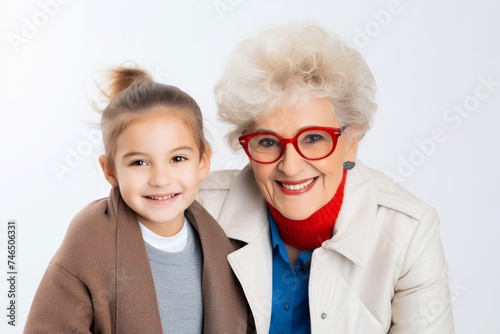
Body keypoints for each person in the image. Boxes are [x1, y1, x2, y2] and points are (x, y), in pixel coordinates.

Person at [197, 21, 455, 333]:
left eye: (314, 138)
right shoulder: (200, 209)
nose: (290, 166)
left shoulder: (408, 232)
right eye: (267, 142)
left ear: (351, 143)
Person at [25, 66, 252, 333]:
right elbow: (49, 326)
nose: (160, 178)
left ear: (203, 162)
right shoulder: (90, 237)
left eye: (177, 159)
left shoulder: (222, 238)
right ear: (110, 170)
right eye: (139, 162)